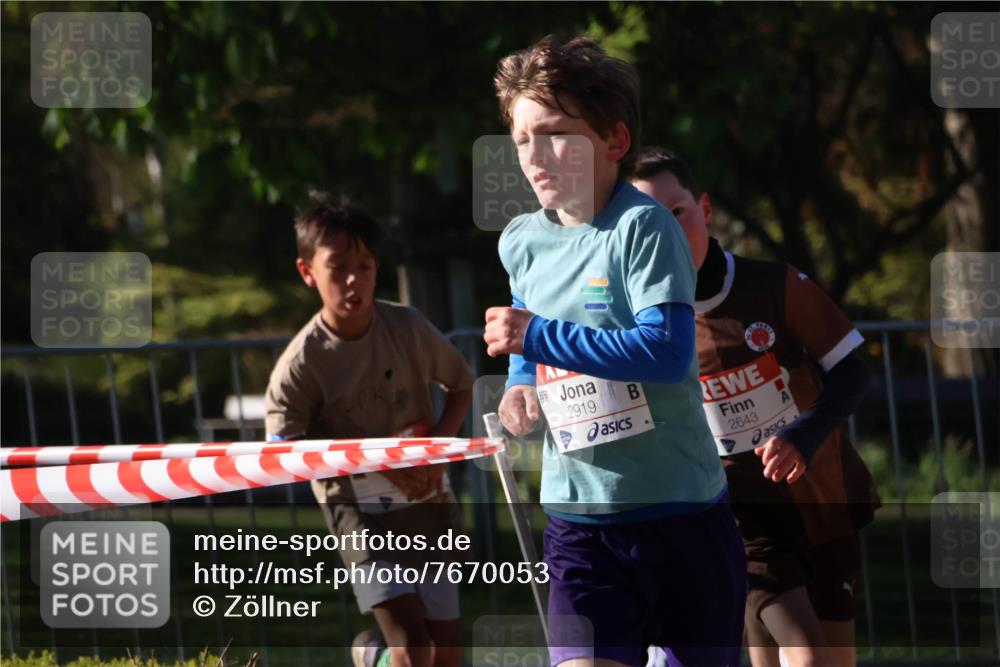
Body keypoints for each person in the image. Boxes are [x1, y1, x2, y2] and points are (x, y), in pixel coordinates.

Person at [484, 36, 747, 667]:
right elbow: (530, 356)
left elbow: (665, 353)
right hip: (581, 525)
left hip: (680, 516)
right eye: (522, 139)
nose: (533, 155)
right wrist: (521, 386)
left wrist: (535, 336)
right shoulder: (522, 241)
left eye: (553, 135)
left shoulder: (642, 227)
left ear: (614, 141)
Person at [629, 147, 881, 667]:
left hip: (820, 499)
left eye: (678, 212)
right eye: (652, 222)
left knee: (832, 660)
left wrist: (803, 436)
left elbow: (855, 370)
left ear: (705, 208)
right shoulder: (640, 320)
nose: (671, 233)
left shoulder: (774, 285)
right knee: (806, 656)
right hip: (740, 520)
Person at [265, 194, 473, 667]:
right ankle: (383, 654)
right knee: (413, 648)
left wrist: (434, 444)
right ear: (307, 272)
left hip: (427, 509)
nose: (354, 280)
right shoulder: (301, 364)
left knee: (447, 655)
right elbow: (283, 448)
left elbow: (461, 383)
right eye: (338, 267)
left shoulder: (408, 327)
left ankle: (372, 659)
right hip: (361, 519)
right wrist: (365, 459)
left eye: (366, 265)